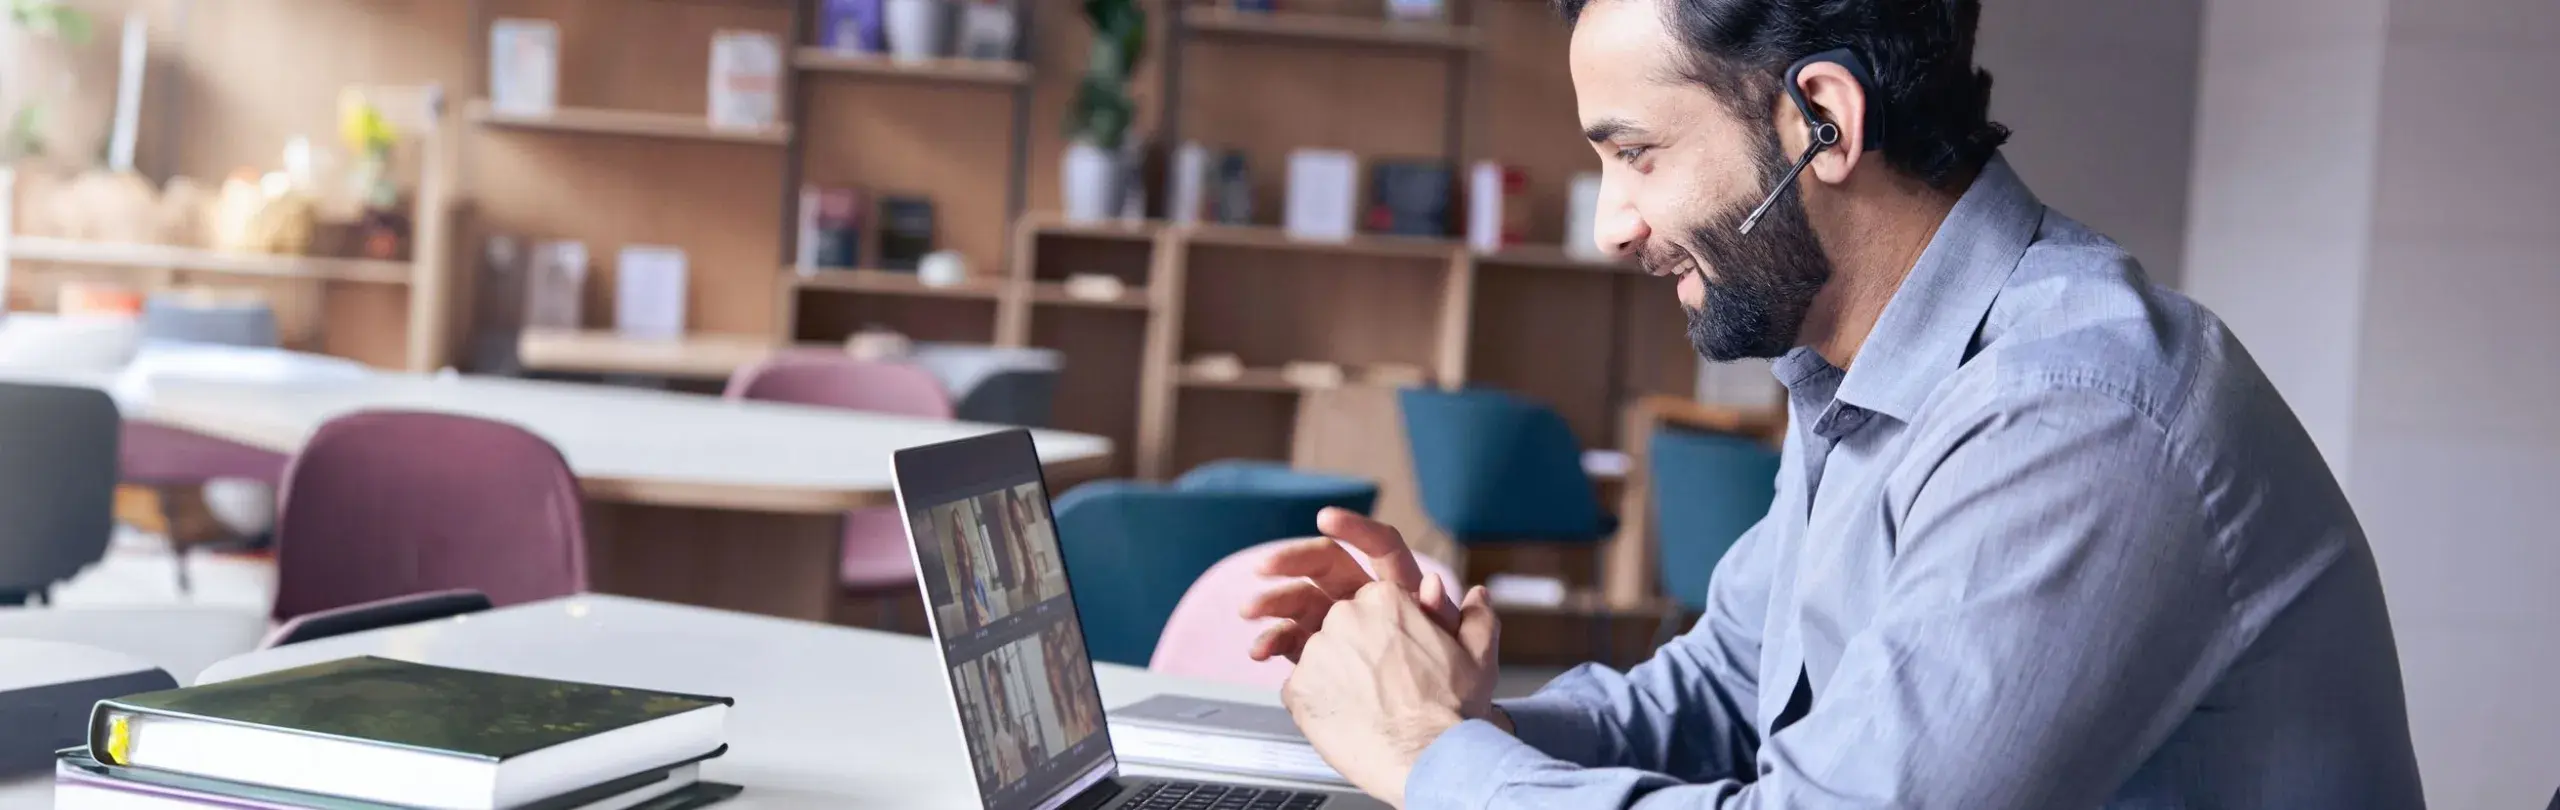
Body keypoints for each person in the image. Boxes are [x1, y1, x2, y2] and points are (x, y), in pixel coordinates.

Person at [1241, 0, 2426, 808]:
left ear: (1822, 121)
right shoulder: (1867, 378)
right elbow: (1715, 700)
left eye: (1637, 153)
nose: (1612, 225)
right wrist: (1439, 706)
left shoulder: (2076, 415)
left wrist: (1432, 756)